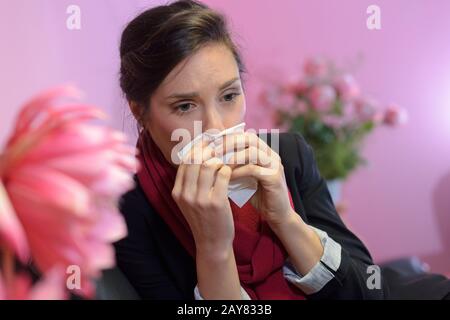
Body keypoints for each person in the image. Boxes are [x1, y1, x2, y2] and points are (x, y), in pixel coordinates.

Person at [114, 0, 390, 300]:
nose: (216, 127)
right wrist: (213, 248)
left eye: (229, 95)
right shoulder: (128, 208)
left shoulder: (288, 155)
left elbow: (371, 294)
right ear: (140, 112)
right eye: (184, 106)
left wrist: (286, 220)